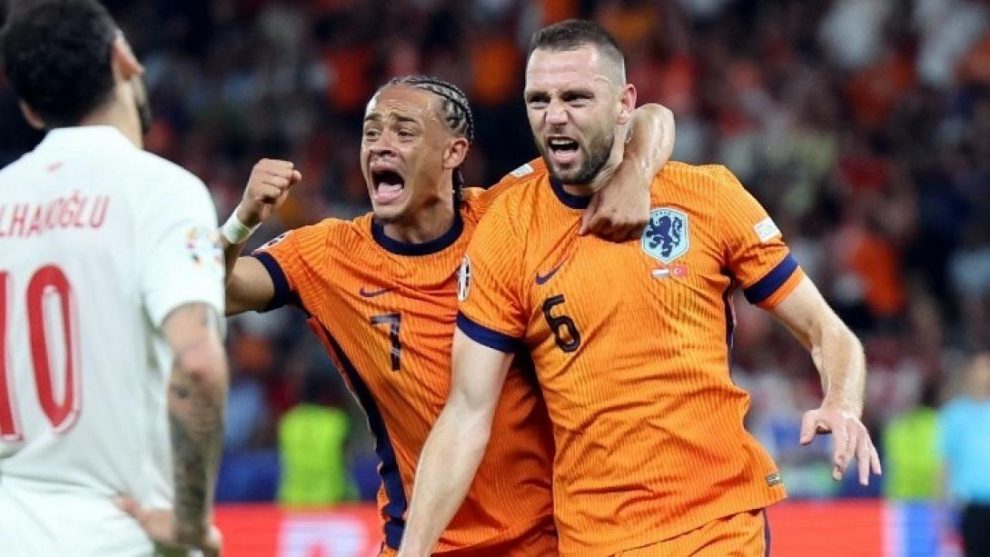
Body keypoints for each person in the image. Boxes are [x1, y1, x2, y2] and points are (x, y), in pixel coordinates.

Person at [399, 19, 882, 557]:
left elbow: (826, 330)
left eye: (576, 98)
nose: (554, 115)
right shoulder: (508, 230)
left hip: (718, 524)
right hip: (594, 538)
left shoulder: (708, 197)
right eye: (539, 100)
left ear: (624, 103)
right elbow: (466, 413)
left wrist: (842, 402)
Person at [222, 74, 674, 555]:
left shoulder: (508, 215)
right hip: (421, 543)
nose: (380, 145)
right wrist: (241, 222)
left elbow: (647, 118)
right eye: (371, 132)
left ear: (453, 152)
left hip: (549, 541)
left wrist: (635, 173)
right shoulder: (328, 256)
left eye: (404, 131)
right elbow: (211, 292)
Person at [0, 1, 227, 556]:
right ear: (123, 56)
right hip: (122, 534)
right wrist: (190, 525)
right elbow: (198, 366)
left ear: (30, 107)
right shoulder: (161, 191)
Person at [940, 352, 990, 556]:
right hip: (969, 504)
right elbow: (945, 462)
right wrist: (942, 506)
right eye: (980, 370)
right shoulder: (954, 414)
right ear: (970, 374)